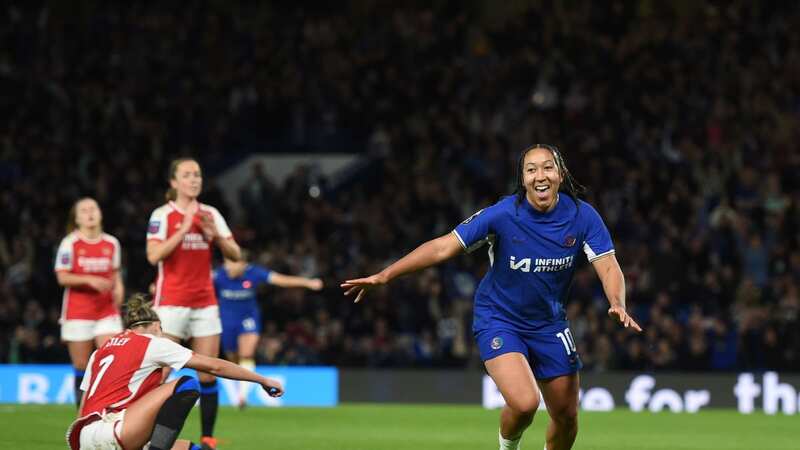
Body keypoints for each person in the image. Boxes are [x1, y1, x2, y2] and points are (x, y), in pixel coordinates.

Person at [342, 145, 642, 450]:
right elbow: (443, 247)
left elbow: (607, 265)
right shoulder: (503, 214)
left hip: (550, 323)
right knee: (525, 403)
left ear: (561, 174)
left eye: (548, 167)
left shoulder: (583, 216)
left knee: (566, 417)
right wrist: (385, 275)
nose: (540, 175)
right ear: (523, 179)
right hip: (499, 319)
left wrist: (617, 302)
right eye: (531, 169)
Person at [66, 293, 284, 450]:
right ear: (157, 326)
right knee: (187, 383)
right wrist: (261, 379)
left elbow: (83, 409)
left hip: (86, 437)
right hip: (115, 431)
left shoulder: (101, 352)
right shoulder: (151, 343)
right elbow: (215, 366)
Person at [146, 157, 241, 449]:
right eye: (187, 175)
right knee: (159, 372)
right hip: (171, 302)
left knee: (208, 370)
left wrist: (215, 237)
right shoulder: (162, 215)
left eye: (197, 174)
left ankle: (207, 438)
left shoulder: (210, 214)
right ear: (174, 182)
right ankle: (149, 437)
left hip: (204, 303)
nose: (194, 179)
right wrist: (183, 228)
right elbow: (153, 256)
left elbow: (236, 254)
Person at [213, 249, 323, 408]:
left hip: (248, 319)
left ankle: (242, 396)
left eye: (232, 262)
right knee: (233, 358)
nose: (228, 266)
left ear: (243, 264)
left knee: (247, 353)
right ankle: (238, 389)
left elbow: (280, 279)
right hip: (226, 321)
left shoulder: (254, 273)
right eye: (226, 262)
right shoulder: (217, 276)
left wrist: (307, 282)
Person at [55, 197, 125, 407]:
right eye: (84, 211)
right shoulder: (70, 243)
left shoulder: (112, 243)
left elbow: (115, 274)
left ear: (100, 213)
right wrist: (89, 279)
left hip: (106, 312)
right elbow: (62, 277)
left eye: (93, 208)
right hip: (78, 313)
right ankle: (82, 418)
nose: (90, 213)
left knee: (113, 361)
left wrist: (119, 293)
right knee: (82, 365)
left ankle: (108, 412)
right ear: (76, 219)